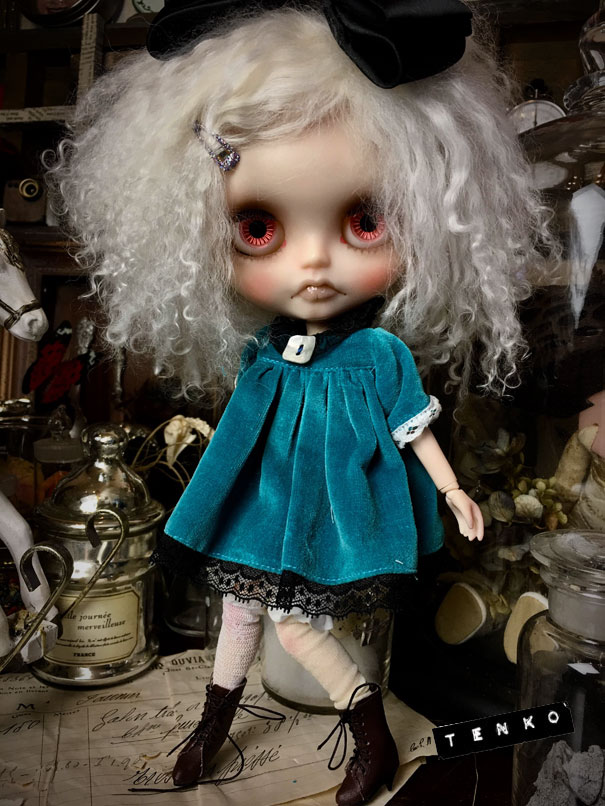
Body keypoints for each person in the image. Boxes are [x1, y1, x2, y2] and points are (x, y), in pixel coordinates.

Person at [48, 2, 554, 802]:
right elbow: (238, 439)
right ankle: (211, 727)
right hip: (261, 512)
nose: (312, 265)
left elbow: (409, 424)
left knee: (292, 625)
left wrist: (452, 488)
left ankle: (366, 728)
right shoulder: (261, 355)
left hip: (328, 518)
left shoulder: (377, 354)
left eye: (363, 220)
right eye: (258, 227)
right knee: (239, 616)